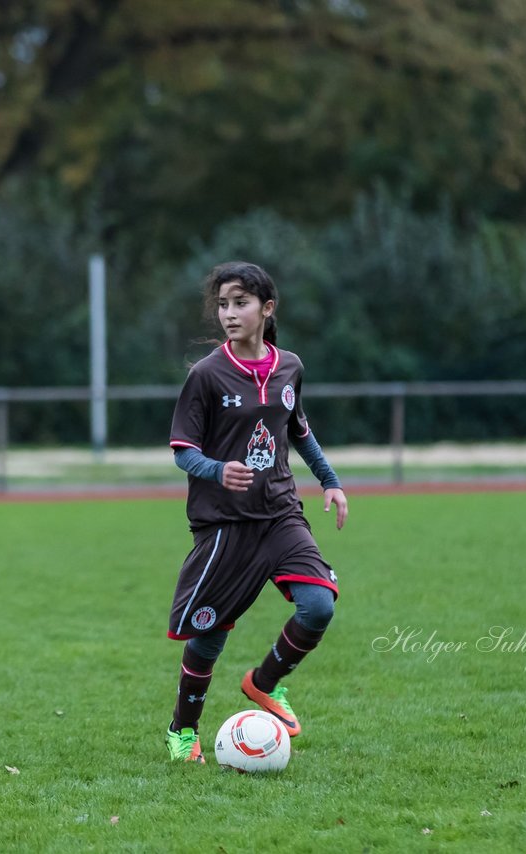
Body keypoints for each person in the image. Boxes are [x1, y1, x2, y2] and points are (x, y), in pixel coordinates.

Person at [163, 261, 348, 763]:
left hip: (281, 514)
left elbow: (298, 430)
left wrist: (330, 482)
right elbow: (182, 450)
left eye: (240, 302)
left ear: (267, 309)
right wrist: (217, 469)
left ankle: (264, 684)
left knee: (319, 606)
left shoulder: (290, 365)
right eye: (222, 304)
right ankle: (183, 730)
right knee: (209, 633)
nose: (229, 313)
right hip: (225, 524)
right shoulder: (205, 375)